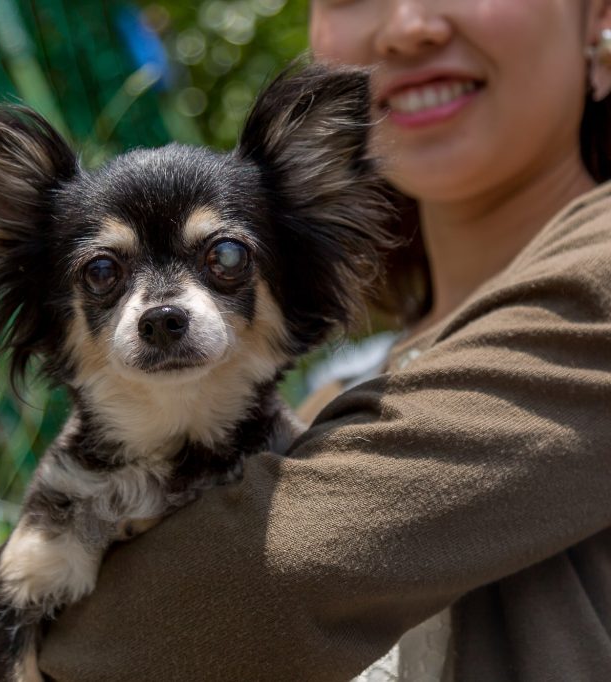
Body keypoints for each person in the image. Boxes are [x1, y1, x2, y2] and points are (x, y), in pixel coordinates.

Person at [38, 1, 611, 680]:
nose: (406, 26)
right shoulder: (335, 390)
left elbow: (264, 583)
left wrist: (26, 631)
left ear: (598, 15)